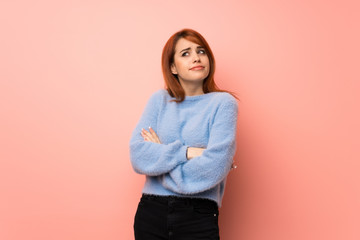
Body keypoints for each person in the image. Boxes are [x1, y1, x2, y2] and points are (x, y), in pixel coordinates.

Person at [129, 28, 239, 240]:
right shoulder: (159, 101)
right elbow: (138, 155)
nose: (196, 58)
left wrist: (161, 163)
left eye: (201, 51)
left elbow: (215, 167)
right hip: (151, 212)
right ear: (173, 67)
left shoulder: (223, 104)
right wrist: (189, 152)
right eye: (185, 53)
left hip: (198, 215)